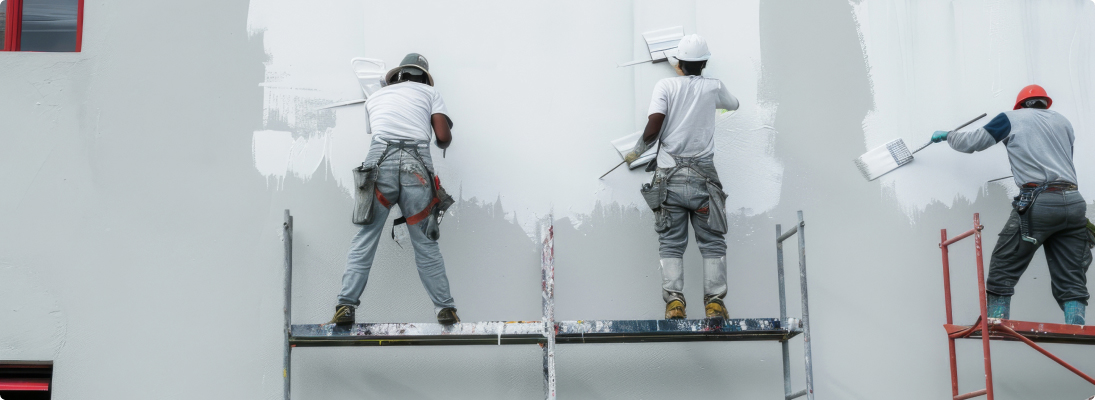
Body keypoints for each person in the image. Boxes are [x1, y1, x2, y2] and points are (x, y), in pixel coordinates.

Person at [932, 84, 1092, 325]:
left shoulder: (1010, 118)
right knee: (1071, 275)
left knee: (1003, 265)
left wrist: (948, 136)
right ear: (1044, 103)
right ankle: (1077, 326)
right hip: (1073, 203)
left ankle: (998, 323)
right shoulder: (1063, 122)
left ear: (1020, 105)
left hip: (1038, 202)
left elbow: (973, 142)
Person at [331, 53, 460, 326]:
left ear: (397, 75)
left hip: (378, 166)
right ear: (424, 76)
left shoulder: (375, 98)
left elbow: (379, 130)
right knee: (425, 243)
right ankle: (444, 308)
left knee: (365, 238)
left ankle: (345, 304)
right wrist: (444, 129)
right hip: (417, 168)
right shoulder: (430, 92)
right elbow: (443, 138)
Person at [624, 34, 740, 320]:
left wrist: (636, 151)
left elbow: (653, 128)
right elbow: (733, 104)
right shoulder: (713, 87)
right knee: (712, 243)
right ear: (704, 62)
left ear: (678, 62)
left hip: (670, 182)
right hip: (704, 182)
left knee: (671, 243)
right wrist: (706, 102)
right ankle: (714, 303)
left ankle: (674, 303)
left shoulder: (665, 85)